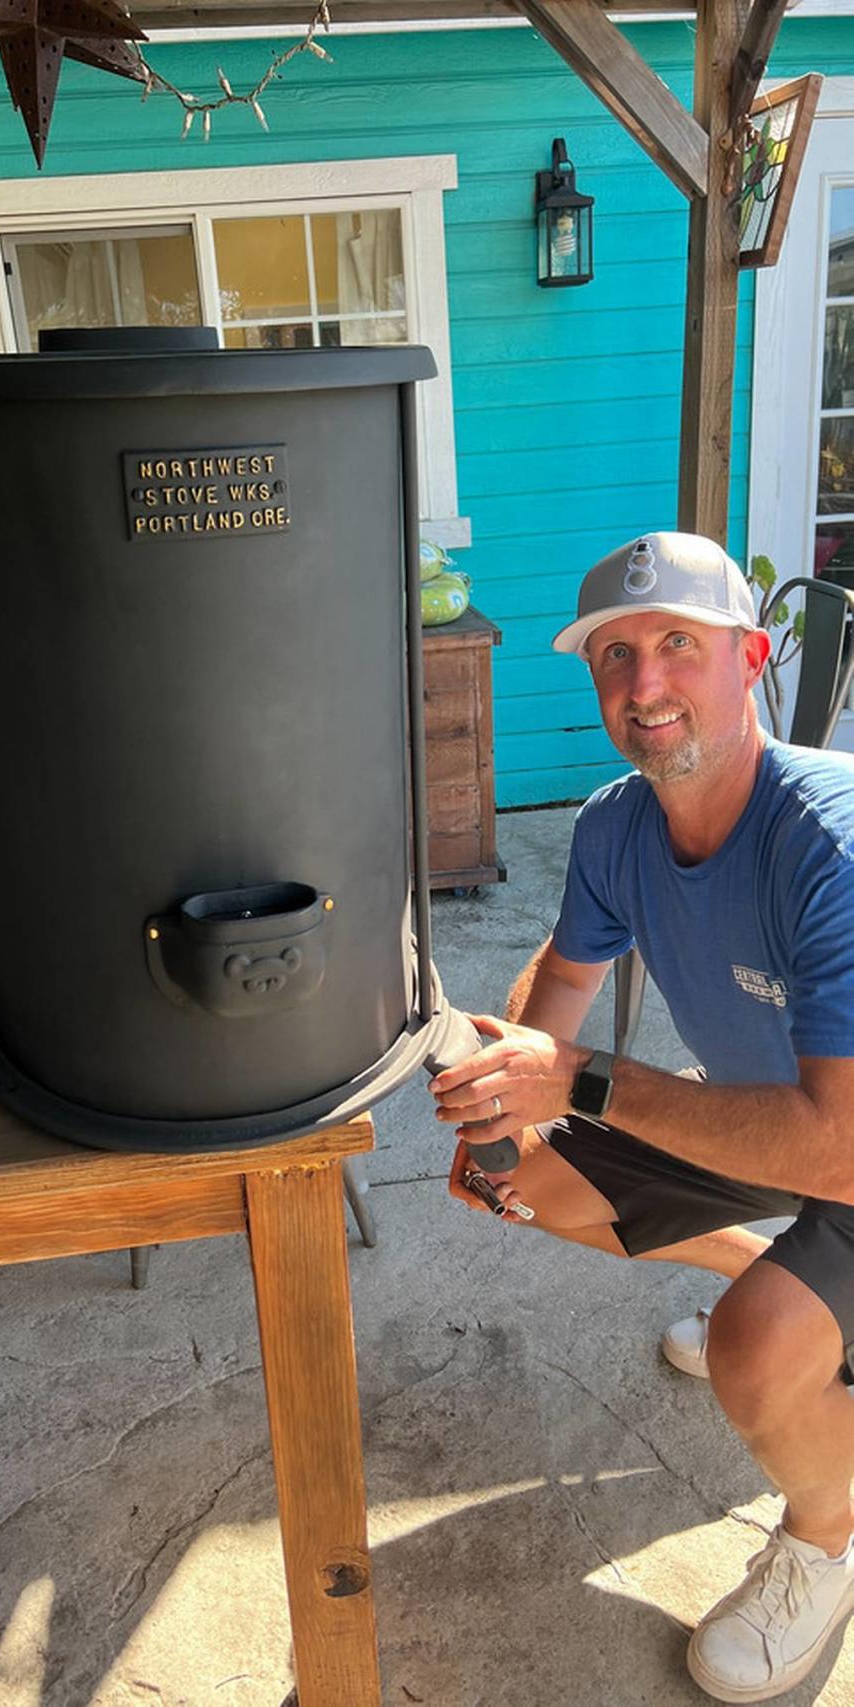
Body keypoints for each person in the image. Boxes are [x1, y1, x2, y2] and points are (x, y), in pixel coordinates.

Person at [430, 531, 854, 1704]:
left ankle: (828, 1538)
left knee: (753, 1349)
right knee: (523, 1176)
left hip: (849, 1149)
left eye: (679, 644)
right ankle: (800, 1282)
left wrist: (579, 1081)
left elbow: (841, 1148)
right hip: (771, 1125)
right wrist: (502, 1105)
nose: (645, 683)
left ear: (753, 659)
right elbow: (562, 980)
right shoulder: (618, 822)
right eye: (615, 655)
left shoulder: (831, 849)